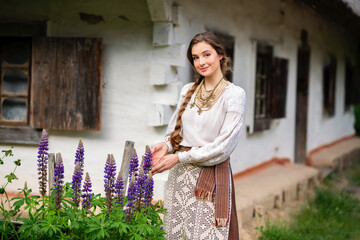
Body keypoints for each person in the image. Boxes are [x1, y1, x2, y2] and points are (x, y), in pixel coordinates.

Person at [151, 32, 246, 240]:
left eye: (206, 54)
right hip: (179, 177)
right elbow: (175, 134)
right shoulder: (187, 91)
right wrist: (166, 146)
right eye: (195, 57)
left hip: (209, 179)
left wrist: (178, 157)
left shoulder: (234, 95)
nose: (201, 62)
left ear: (220, 55)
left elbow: (223, 147)